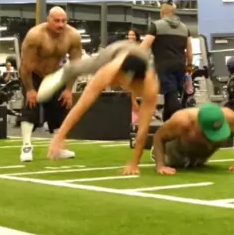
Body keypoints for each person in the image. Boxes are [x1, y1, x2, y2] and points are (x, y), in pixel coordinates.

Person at [37, 40, 159, 175]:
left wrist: (135, 163)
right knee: (90, 66)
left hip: (138, 58)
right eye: (116, 79)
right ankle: (66, 71)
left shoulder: (151, 88)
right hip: (117, 51)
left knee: (143, 113)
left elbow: (143, 127)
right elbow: (82, 104)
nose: (114, 83)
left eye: (118, 80)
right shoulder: (110, 69)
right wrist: (59, 136)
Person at [19, 7, 82, 163]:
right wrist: (30, 89)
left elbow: (75, 65)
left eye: (64, 21)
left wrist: (69, 89)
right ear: (48, 20)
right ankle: (26, 146)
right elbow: (25, 66)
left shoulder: (73, 36)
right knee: (30, 107)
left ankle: (57, 148)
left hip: (55, 75)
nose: (60, 24)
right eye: (57, 21)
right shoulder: (35, 35)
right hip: (34, 74)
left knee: (61, 107)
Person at [152, 103, 234, 174]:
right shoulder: (182, 121)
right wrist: (160, 165)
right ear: (197, 124)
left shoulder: (230, 117)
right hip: (177, 148)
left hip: (201, 151)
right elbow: (158, 137)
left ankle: (195, 159)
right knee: (176, 163)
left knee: (196, 164)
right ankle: (157, 153)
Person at [141, 1, 193, 121]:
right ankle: (170, 122)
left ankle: (176, 121)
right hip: (180, 66)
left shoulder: (156, 26)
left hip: (163, 66)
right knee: (174, 95)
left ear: (162, 12)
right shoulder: (185, 28)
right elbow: (190, 51)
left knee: (171, 95)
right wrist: (189, 66)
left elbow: (144, 47)